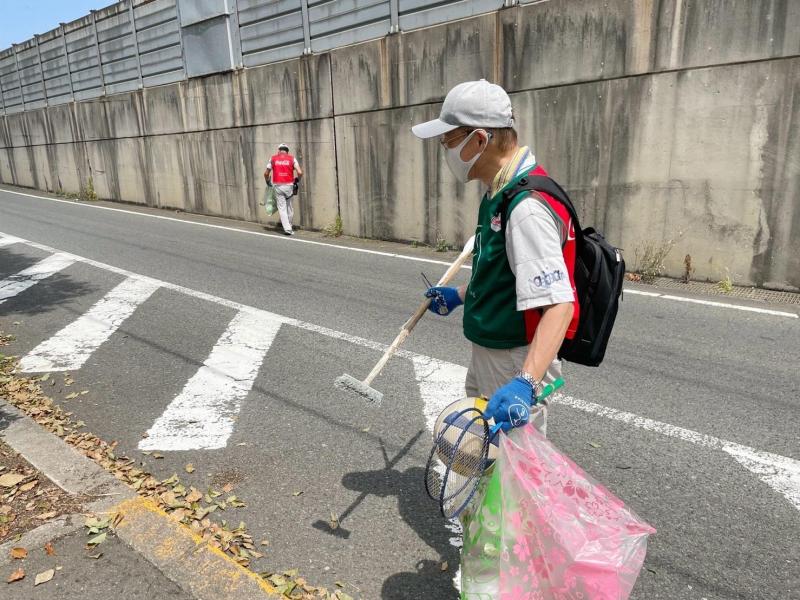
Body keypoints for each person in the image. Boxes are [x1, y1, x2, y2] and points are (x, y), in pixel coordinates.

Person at [411, 80, 578, 436]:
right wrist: (458, 295)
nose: (445, 149)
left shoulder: (525, 209)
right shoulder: (500, 191)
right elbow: (504, 272)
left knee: (513, 470)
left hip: (515, 358)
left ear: (479, 140)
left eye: (449, 140)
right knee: (491, 456)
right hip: (496, 353)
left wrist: (526, 383)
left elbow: (560, 305)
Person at [264, 143, 303, 235]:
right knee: (289, 207)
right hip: (289, 186)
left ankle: (287, 229)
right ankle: (289, 225)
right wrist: (297, 181)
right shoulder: (292, 158)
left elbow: (266, 173)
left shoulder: (273, 158)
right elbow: (300, 172)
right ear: (287, 151)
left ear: (279, 150)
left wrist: (268, 182)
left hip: (278, 186)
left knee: (282, 208)